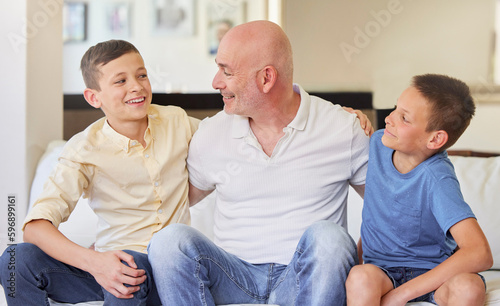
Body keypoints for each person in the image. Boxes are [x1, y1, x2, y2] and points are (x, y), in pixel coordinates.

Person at [148, 20, 372, 305]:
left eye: (226, 72)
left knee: (330, 238)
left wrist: (366, 267)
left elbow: (384, 206)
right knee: (169, 241)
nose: (216, 82)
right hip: (232, 276)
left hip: (303, 275)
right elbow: (168, 202)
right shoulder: (211, 133)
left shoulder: (342, 128)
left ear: (266, 78)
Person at [0, 40, 199, 305]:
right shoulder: (84, 149)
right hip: (108, 270)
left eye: (142, 75)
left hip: (162, 269)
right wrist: (96, 263)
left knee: (128, 269)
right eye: (120, 81)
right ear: (94, 97)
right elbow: (35, 227)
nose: (136, 86)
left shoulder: (177, 121)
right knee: (15, 260)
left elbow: (222, 146)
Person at [345, 74, 493, 305]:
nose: (390, 118)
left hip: (434, 275)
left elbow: (480, 252)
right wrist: (344, 118)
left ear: (435, 140)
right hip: (382, 272)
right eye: (395, 108)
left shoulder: (437, 178)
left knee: (468, 287)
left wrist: (398, 296)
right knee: (360, 277)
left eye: (404, 118)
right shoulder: (377, 144)